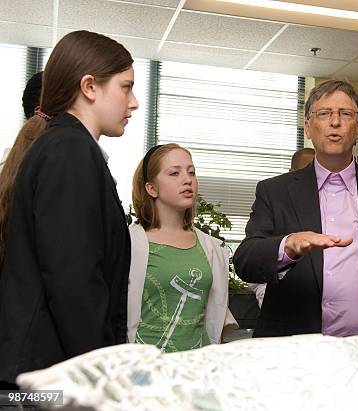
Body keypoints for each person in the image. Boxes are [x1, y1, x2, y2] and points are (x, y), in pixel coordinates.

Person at [0, 31, 138, 385]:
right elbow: (73, 281)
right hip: (51, 376)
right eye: (126, 87)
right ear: (90, 87)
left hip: (48, 368)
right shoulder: (70, 151)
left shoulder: (65, 147)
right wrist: (100, 378)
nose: (134, 102)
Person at [234, 80, 358, 337]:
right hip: (296, 349)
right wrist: (288, 246)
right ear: (308, 128)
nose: (335, 122)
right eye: (324, 113)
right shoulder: (275, 191)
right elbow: (245, 262)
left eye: (345, 113)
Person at [128, 143, 237, 352]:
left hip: (197, 367)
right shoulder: (129, 243)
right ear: (151, 188)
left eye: (191, 172)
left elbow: (217, 312)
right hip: (143, 366)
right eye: (174, 173)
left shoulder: (211, 247)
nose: (187, 179)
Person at [248, 147, 316, 308]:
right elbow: (253, 257)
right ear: (291, 172)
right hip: (282, 304)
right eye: (305, 171)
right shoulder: (273, 201)